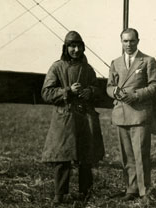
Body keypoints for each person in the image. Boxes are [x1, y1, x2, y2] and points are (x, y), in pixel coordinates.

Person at [41, 31, 105, 204]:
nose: (76, 50)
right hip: (64, 118)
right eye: (72, 46)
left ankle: (85, 192)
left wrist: (89, 91)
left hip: (84, 118)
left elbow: (98, 90)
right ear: (66, 48)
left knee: (86, 157)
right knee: (62, 157)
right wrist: (67, 90)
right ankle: (59, 195)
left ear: (83, 48)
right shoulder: (57, 67)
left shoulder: (88, 69)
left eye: (79, 46)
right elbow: (46, 93)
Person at [106, 28, 156, 202]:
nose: (129, 45)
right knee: (127, 155)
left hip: (139, 114)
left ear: (138, 41)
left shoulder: (148, 61)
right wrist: (114, 91)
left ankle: (145, 191)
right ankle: (131, 189)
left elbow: (155, 86)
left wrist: (136, 95)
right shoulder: (115, 62)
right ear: (121, 42)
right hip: (121, 114)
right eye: (125, 41)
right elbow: (109, 86)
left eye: (132, 41)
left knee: (141, 154)